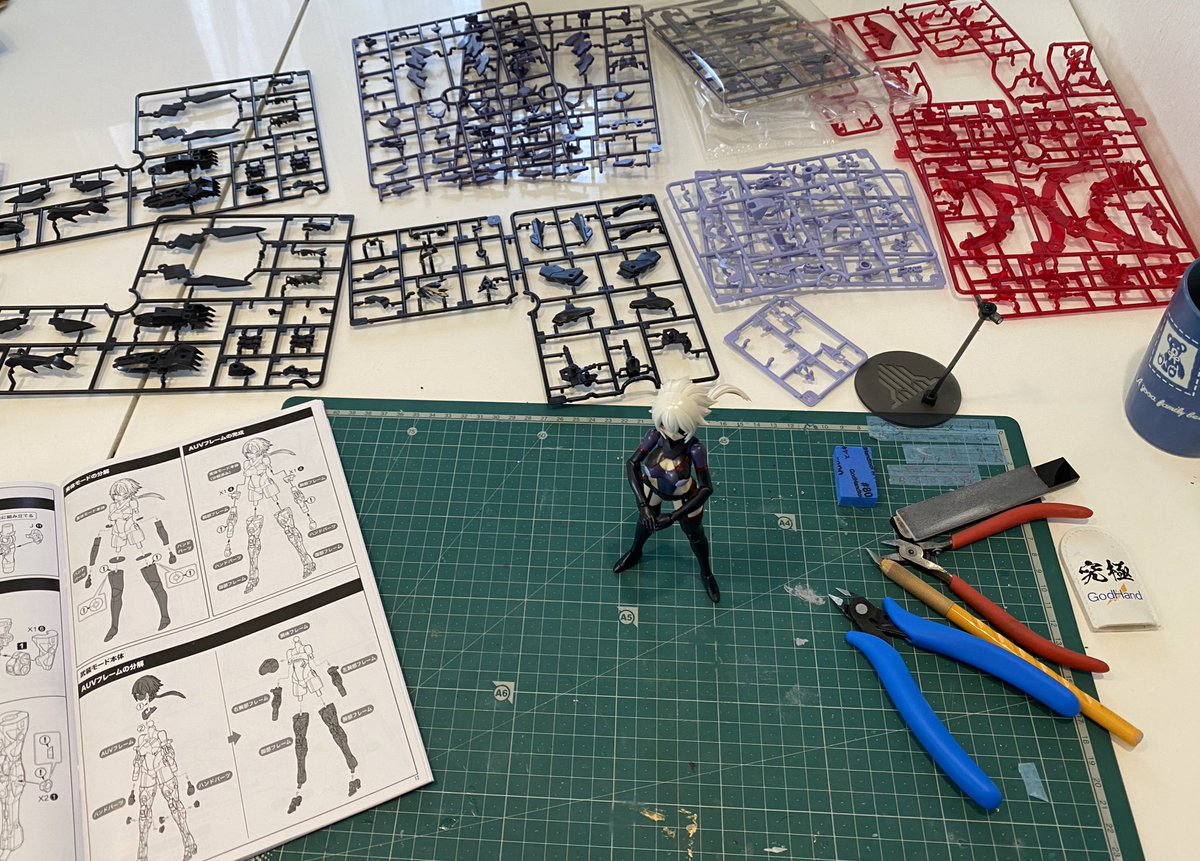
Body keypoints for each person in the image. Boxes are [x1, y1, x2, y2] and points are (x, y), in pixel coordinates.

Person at [613, 380, 748, 603]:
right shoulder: (655, 436)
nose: (669, 432)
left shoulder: (695, 449)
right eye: (664, 424)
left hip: (684, 497)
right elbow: (632, 464)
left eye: (677, 428)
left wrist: (673, 517)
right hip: (652, 490)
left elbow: (706, 488)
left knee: (694, 534)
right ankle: (635, 552)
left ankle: (706, 573)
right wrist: (643, 506)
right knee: (645, 523)